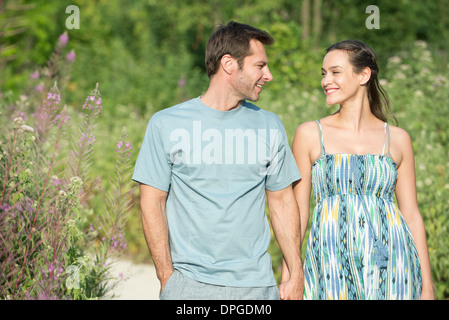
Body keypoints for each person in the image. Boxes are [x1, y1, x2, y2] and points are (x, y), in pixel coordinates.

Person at [132, 21, 303, 300]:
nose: (268, 75)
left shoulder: (270, 125)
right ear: (229, 63)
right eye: (260, 65)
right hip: (188, 284)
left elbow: (282, 202)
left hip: (257, 286)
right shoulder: (166, 124)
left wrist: (296, 274)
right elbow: (152, 201)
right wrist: (167, 277)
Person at [292, 40, 434, 300]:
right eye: (324, 74)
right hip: (329, 265)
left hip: (393, 265)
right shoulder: (310, 134)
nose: (326, 81)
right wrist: (291, 276)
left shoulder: (397, 139)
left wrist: (427, 287)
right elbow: (298, 213)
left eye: (335, 72)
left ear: (364, 75)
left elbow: (411, 214)